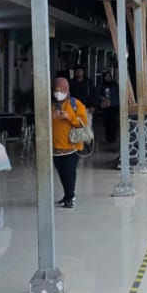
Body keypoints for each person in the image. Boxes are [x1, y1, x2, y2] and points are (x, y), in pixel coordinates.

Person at [51, 76, 91, 208]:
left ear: (67, 91)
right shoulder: (50, 106)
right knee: (62, 173)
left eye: (62, 90)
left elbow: (83, 122)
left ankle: (70, 197)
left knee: (69, 171)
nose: (59, 93)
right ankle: (67, 194)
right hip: (56, 148)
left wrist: (69, 117)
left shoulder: (75, 104)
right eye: (56, 90)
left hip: (72, 146)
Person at [97, 69, 120, 144]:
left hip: (114, 105)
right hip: (106, 106)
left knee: (113, 122)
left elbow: (119, 93)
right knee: (107, 122)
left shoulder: (115, 84)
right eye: (106, 76)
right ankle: (108, 138)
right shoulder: (101, 85)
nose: (108, 78)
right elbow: (98, 95)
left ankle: (113, 138)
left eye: (109, 76)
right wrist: (102, 98)